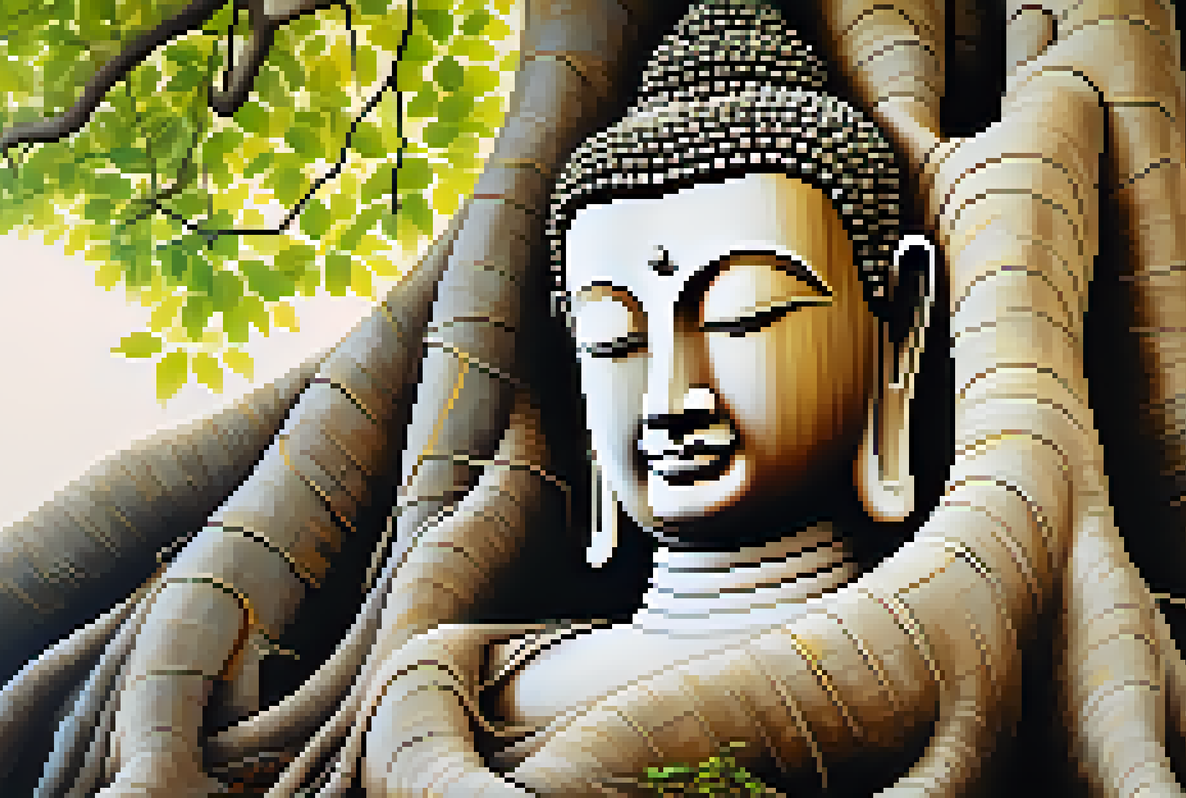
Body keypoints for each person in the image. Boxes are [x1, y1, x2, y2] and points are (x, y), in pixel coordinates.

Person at [354, 1, 948, 793]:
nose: (668, 396)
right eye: (613, 340)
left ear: (897, 328)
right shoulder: (474, 689)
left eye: (744, 317)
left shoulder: (930, 668)